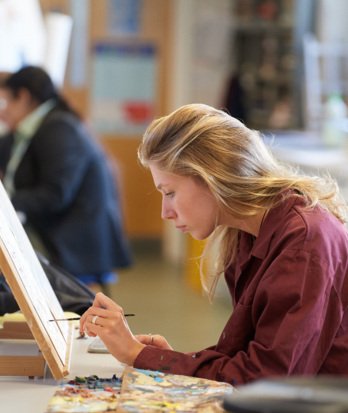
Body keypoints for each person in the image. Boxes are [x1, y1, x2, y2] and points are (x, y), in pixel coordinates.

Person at [80, 103, 348, 385]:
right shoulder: (249, 230)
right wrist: (165, 361)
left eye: (170, 192)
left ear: (213, 177)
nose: (165, 212)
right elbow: (247, 357)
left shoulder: (302, 244)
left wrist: (138, 355)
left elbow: (266, 380)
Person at [0, 66, 132, 290]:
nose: (2, 113)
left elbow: (55, 194)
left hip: (73, 244)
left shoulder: (59, 128)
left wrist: (6, 204)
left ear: (23, 97)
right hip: (53, 235)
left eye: (4, 103)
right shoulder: (28, 131)